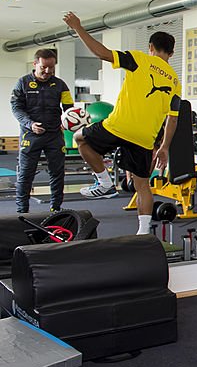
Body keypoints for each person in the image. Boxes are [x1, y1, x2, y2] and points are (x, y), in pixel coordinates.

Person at [62, 12, 181, 235]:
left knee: (80, 138)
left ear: (150, 47)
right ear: (172, 53)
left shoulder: (140, 59)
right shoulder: (175, 81)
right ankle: (144, 232)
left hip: (119, 126)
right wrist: (164, 147)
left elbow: (102, 53)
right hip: (145, 138)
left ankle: (104, 183)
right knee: (142, 185)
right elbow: (172, 119)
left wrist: (78, 27)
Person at [10, 49, 73, 213]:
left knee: (57, 173)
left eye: (51, 68)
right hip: (30, 134)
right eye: (44, 67)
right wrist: (30, 124)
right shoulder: (22, 83)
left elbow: (69, 109)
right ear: (35, 63)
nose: (47, 71)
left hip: (54, 135)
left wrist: (69, 121)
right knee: (25, 174)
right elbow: (16, 108)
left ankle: (56, 208)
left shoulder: (60, 84)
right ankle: (22, 211)